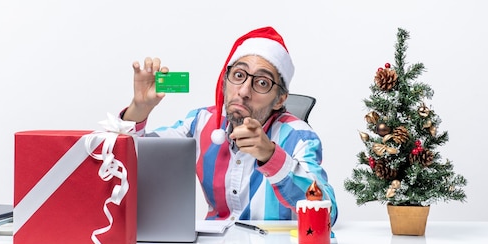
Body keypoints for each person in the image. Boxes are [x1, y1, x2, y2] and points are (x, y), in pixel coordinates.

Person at [121, 26, 338, 224]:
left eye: (262, 83)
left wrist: (271, 156)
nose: (244, 91)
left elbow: (328, 213)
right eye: (239, 75)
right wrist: (139, 110)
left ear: (280, 99)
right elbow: (125, 163)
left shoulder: (299, 137)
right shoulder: (200, 123)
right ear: (224, 82)